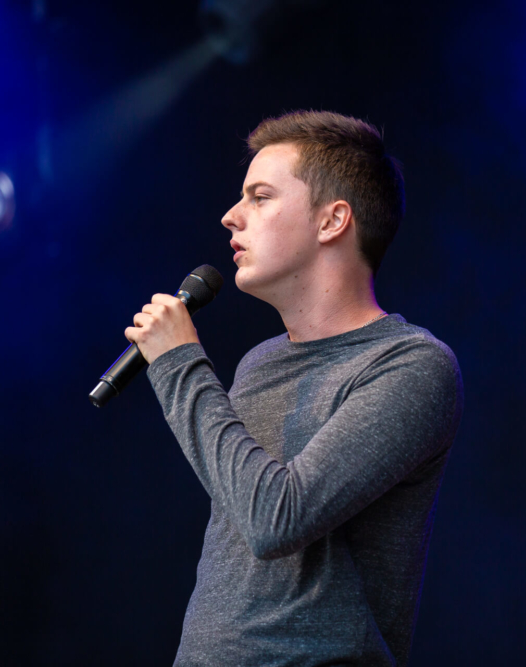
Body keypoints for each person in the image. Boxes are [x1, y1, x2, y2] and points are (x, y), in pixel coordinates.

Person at [125, 110, 464, 666]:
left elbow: (275, 519)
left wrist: (181, 364)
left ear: (333, 221)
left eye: (259, 197)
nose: (231, 216)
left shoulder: (411, 365)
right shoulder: (259, 364)